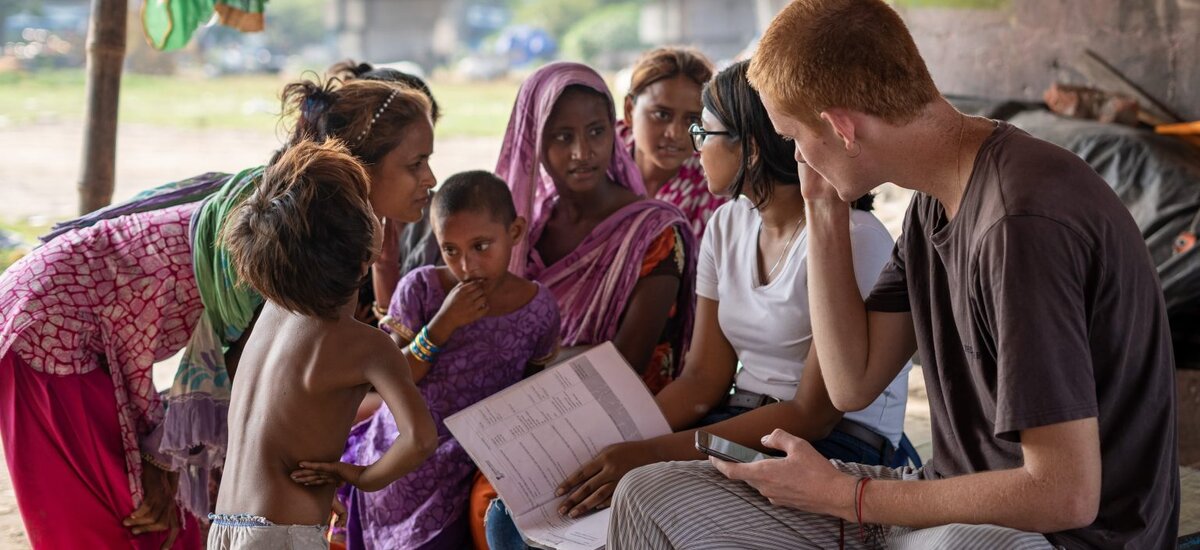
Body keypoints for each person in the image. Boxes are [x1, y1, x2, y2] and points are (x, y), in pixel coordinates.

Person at [607, 1, 1179, 548]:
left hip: (1049, 537)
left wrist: (853, 497)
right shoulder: (934, 202)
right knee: (650, 492)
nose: (797, 157)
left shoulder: (1018, 221)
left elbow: (1064, 496)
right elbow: (851, 381)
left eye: (796, 139)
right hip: (937, 505)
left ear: (842, 128)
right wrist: (823, 209)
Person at [0, 73, 436, 548]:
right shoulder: (291, 246)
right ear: (359, 167)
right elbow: (238, 383)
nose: (430, 179)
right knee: (119, 527)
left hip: (237, 524)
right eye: (417, 164)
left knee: (165, 526)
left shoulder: (281, 216)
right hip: (51, 324)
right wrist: (161, 460)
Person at [550, 59, 915, 523]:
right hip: (738, 422)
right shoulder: (727, 224)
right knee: (538, 501)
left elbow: (814, 413)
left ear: (754, 148)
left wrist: (651, 454)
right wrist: (617, 440)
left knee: (642, 498)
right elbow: (703, 379)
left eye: (703, 133)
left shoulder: (854, 237)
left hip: (833, 442)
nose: (693, 146)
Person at [478, 61, 697, 548]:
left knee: (506, 514)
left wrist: (509, 371)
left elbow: (624, 362)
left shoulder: (652, 232)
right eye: (561, 137)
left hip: (621, 434)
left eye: (596, 132)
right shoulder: (523, 232)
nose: (582, 152)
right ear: (532, 142)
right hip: (522, 425)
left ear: (614, 134)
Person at [211, 139, 438, 549]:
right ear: (361, 246)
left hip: (227, 525)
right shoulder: (366, 347)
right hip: (281, 538)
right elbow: (420, 439)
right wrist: (360, 477)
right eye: (367, 205)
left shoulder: (273, 310)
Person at [338, 171, 561, 549]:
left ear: (516, 232)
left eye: (481, 246)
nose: (467, 266)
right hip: (406, 443)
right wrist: (441, 327)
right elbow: (394, 379)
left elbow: (532, 385)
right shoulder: (422, 288)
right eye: (451, 250)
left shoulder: (538, 308)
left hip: (476, 452)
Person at [619, 46, 726, 239]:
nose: (675, 133)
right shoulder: (596, 158)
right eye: (661, 114)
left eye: (692, 119)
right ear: (629, 110)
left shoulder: (713, 185)